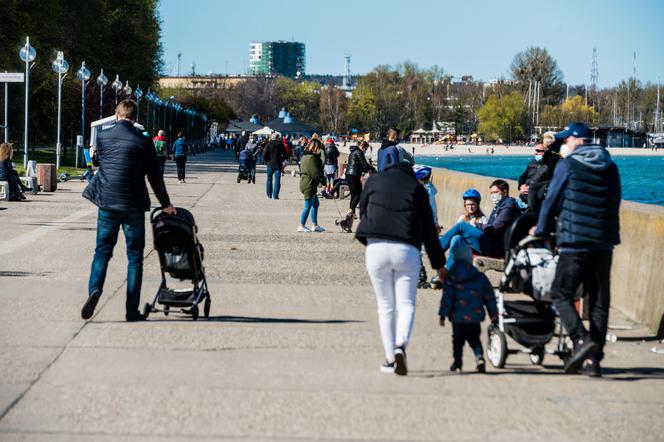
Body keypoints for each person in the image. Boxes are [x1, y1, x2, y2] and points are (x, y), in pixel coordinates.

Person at [531, 122, 621, 377]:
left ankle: (581, 340)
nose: (562, 146)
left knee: (561, 293)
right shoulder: (610, 166)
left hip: (574, 242)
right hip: (604, 243)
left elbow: (551, 201)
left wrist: (540, 229)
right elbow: (614, 201)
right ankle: (594, 362)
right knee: (599, 302)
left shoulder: (567, 165)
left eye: (564, 141)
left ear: (574, 140)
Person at [81, 100, 176, 322]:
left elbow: (101, 163)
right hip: (133, 204)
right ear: (135, 119)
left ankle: (94, 289)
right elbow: (154, 177)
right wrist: (166, 204)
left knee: (102, 251)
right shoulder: (143, 142)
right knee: (135, 257)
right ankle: (131, 311)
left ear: (117, 116)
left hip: (107, 203)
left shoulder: (103, 137)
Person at [355, 154, 446, 376]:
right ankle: (400, 345)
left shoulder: (374, 181)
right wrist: (439, 266)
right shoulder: (417, 188)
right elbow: (428, 231)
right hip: (406, 248)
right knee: (406, 304)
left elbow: (363, 210)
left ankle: (389, 359)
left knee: (385, 306)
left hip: (375, 246)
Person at [439, 245, 497, 373]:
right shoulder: (479, 276)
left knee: (457, 340)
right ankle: (479, 357)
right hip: (474, 316)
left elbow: (447, 297)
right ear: (471, 258)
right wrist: (493, 314)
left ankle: (457, 363)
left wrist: (443, 315)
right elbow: (489, 295)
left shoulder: (451, 276)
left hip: (457, 317)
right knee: (475, 339)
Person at [439, 180, 521, 268]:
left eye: (495, 192)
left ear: (505, 192)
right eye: (491, 193)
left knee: (461, 226)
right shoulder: (500, 206)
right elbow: (490, 227)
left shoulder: (509, 207)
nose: (493, 195)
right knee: (457, 238)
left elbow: (493, 229)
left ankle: (436, 249)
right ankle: (447, 271)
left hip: (496, 248)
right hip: (491, 243)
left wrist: (477, 225)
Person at [297, 138, 326, 233]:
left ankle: (315, 225)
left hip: (306, 182)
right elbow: (315, 172)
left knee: (315, 204)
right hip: (308, 183)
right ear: (317, 147)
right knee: (307, 206)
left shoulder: (305, 155)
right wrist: (323, 181)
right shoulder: (312, 158)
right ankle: (301, 225)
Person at [345, 141, 375, 218]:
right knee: (359, 194)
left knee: (353, 194)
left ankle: (352, 212)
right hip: (354, 175)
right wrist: (372, 168)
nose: (365, 150)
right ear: (363, 146)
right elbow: (364, 163)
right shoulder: (359, 152)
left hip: (349, 174)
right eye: (366, 148)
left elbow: (359, 165)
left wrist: (365, 170)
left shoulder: (353, 152)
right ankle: (350, 210)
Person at [264, 132, 285, 199]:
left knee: (269, 179)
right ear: (277, 138)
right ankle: (275, 195)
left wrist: (267, 161)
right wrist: (282, 160)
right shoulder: (280, 144)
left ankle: (269, 194)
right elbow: (286, 154)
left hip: (270, 164)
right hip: (278, 164)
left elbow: (264, 155)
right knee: (277, 180)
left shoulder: (268, 144)